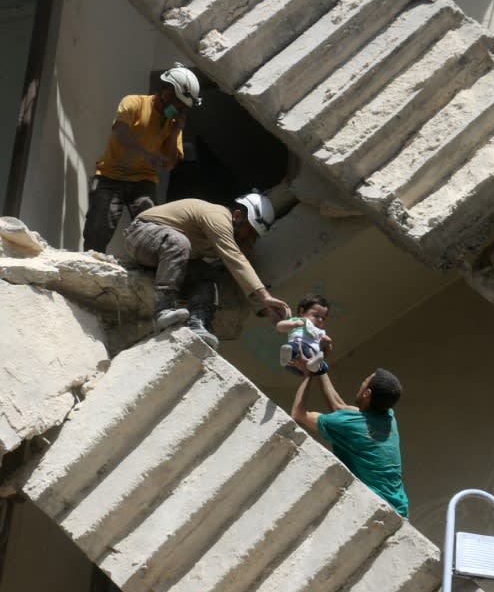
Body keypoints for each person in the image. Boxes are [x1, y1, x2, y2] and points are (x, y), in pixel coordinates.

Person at [123, 192, 291, 347]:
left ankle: (198, 324)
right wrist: (266, 296)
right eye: (250, 232)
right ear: (238, 216)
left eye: (254, 237)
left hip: (164, 255)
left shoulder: (231, 235)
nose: (250, 240)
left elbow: (238, 273)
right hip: (141, 235)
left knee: (206, 275)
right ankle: (163, 307)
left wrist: (266, 308)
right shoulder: (218, 216)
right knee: (179, 242)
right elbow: (235, 259)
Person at [83, 63, 202, 253]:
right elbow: (121, 133)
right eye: (178, 104)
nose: (178, 110)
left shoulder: (172, 123)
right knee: (97, 229)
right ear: (166, 91)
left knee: (152, 229)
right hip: (110, 176)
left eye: (182, 108)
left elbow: (170, 164)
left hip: (143, 182)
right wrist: (146, 154)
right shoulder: (133, 103)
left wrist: (175, 132)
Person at [291, 365, 409, 517]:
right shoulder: (388, 416)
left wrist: (308, 375)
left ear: (367, 393)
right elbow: (339, 407)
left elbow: (298, 414)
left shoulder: (350, 426)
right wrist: (320, 366)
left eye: (365, 381)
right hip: (399, 509)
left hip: (378, 511)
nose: (362, 383)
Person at [276, 293, 332, 375]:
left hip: (310, 359)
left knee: (325, 368)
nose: (320, 320)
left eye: (323, 318)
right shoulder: (299, 321)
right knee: (292, 347)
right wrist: (294, 324)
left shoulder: (320, 331)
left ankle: (313, 365)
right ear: (302, 312)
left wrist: (328, 344)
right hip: (297, 350)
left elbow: (327, 353)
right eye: (316, 315)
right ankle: (286, 357)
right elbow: (279, 326)